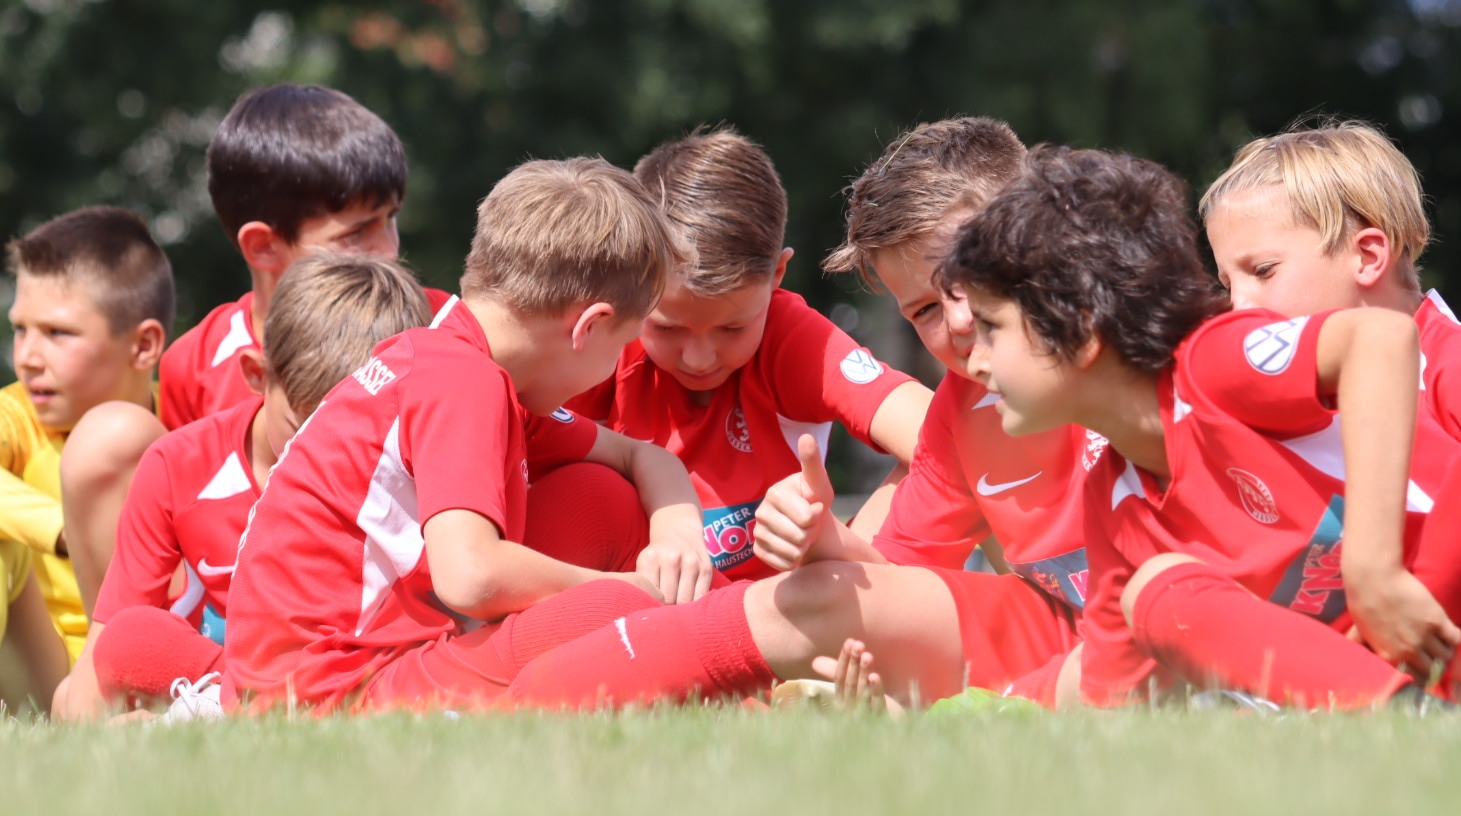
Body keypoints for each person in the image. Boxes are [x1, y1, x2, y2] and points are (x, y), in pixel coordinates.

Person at [943, 145, 1461, 709]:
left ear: (1082, 330)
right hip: (1417, 693)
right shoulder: (1111, 503)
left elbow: (1380, 340)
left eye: (993, 328)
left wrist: (1372, 569)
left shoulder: (1214, 359)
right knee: (1155, 592)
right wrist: (984, 710)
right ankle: (1424, 722)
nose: (972, 359)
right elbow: (1107, 689)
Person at [497, 120, 1090, 711]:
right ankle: (509, 688)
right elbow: (889, 575)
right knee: (590, 497)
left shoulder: (1128, 354)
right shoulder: (595, 350)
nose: (699, 356)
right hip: (726, 611)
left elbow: (921, 432)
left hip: (1112, 642)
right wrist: (827, 539)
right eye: (925, 309)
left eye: (732, 327)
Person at [224, 158, 710, 713]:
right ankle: (753, 666)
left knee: (600, 499)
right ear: (590, 326)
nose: (616, 364)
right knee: (619, 615)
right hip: (332, 692)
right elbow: (472, 577)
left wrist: (678, 537)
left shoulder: (458, 363)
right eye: (622, 345)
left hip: (313, 677)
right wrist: (620, 591)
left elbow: (640, 456)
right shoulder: (463, 379)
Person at [1195, 121, 1461, 698]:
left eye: (1263, 272)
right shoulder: (1289, 400)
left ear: (1368, 256)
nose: (1239, 307)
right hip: (1454, 662)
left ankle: (1366, 675)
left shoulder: (1460, 364)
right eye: (1227, 285)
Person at [60, 84, 449, 614]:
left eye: (391, 219)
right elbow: (183, 505)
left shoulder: (435, 326)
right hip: (239, 611)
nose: (388, 250)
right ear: (264, 246)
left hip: (398, 606)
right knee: (104, 436)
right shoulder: (194, 362)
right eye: (356, 234)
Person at [54, 254, 432, 720]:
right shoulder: (180, 466)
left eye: (358, 439)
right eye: (304, 428)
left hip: (369, 675)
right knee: (74, 692)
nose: (326, 455)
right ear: (257, 374)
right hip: (228, 676)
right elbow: (107, 646)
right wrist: (98, 735)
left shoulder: (418, 459)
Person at [567, 128, 932, 581]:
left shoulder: (791, 339)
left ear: (777, 274)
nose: (699, 358)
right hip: (631, 606)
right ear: (630, 281)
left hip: (778, 612)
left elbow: (946, 437)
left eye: (732, 328)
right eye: (667, 327)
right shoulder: (602, 340)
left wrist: (851, 552)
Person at [0, 207, 171, 712]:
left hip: (163, 666)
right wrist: (63, 531)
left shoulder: (184, 418)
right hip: (44, 673)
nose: (28, 357)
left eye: (58, 333)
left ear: (143, 346)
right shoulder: (16, 417)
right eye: (20, 329)